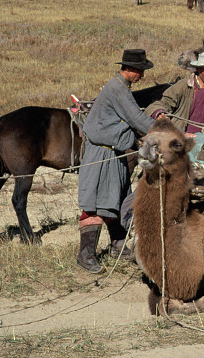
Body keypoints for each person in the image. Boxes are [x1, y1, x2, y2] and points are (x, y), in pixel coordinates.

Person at [77, 49, 156, 274]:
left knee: (116, 199)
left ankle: (118, 246)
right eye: (140, 71)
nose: (142, 75)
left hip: (114, 155)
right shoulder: (117, 89)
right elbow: (137, 119)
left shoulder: (121, 88)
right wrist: (165, 131)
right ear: (130, 69)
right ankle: (85, 255)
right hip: (102, 154)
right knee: (95, 203)